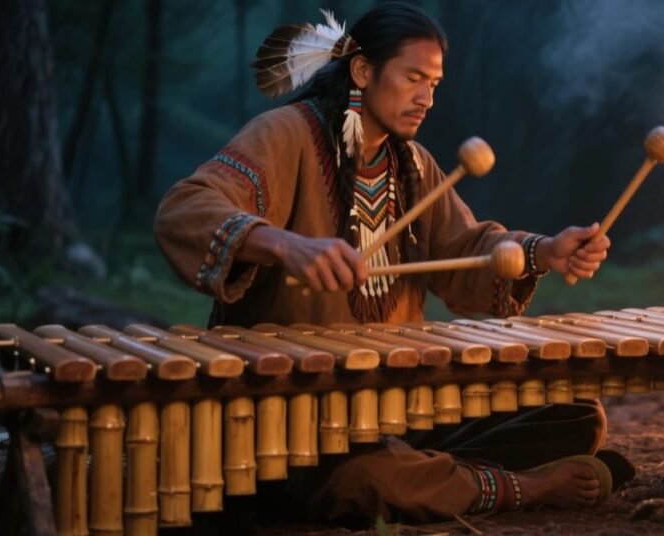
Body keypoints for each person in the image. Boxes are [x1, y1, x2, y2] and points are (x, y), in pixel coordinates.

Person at [155, 2, 629, 524]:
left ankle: (430, 476)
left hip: (393, 407)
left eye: (435, 83)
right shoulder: (285, 135)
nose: (426, 97)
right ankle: (513, 486)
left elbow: (465, 250)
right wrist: (285, 245)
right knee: (361, 476)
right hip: (292, 419)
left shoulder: (413, 164)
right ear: (363, 71)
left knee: (575, 416)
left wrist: (544, 251)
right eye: (413, 78)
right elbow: (186, 209)